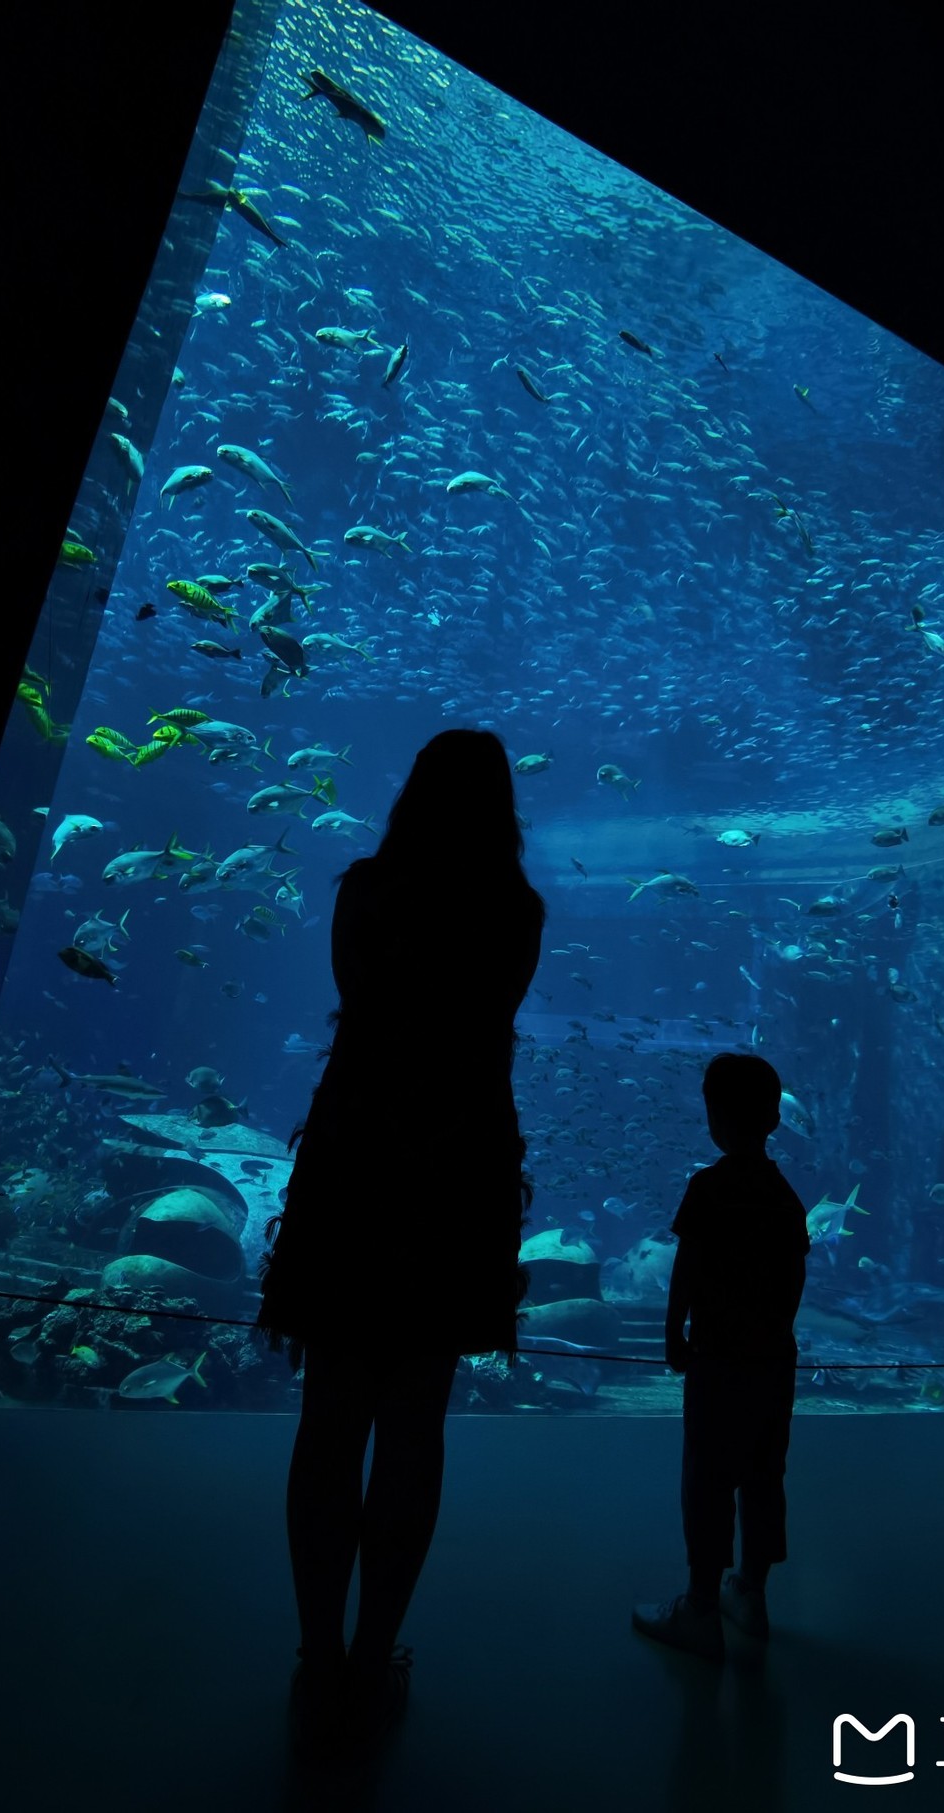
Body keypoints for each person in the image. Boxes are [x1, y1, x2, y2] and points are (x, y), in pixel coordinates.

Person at [256, 729, 545, 1755]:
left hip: (355, 1152)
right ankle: (376, 1653)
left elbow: (359, 1007)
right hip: (457, 1164)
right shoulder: (516, 910)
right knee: (415, 1415)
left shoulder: (366, 891)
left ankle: (316, 1652)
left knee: (329, 1408)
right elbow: (490, 1020)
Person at [633, 1052, 810, 1661]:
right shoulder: (786, 1198)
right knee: (765, 1476)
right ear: (773, 1119)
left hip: (719, 1361)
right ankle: (752, 1595)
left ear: (713, 1116)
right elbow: (794, 1279)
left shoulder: (708, 1187)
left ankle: (702, 1607)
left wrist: (672, 1330)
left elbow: (688, 1266)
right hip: (772, 1362)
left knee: (707, 1480)